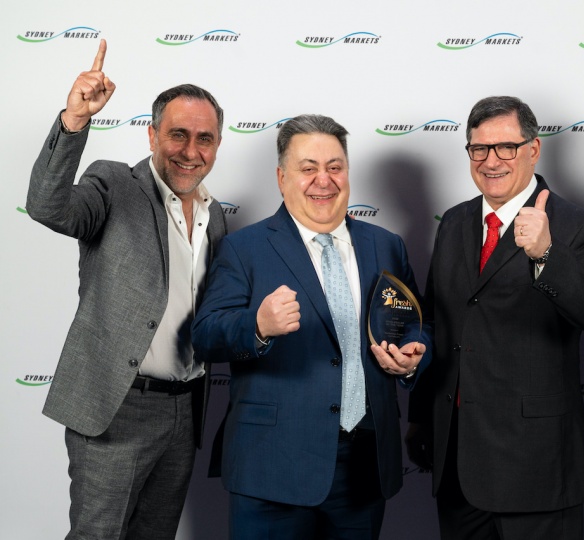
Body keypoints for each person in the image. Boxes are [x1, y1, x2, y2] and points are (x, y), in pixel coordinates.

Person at [191, 114, 431, 539]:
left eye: (335, 167)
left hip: (364, 468)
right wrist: (258, 325)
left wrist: (413, 357)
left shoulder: (386, 245)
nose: (324, 180)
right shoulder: (244, 247)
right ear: (282, 178)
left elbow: (417, 326)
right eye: (308, 168)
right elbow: (205, 335)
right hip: (272, 467)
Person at [26, 39, 228, 539]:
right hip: (116, 408)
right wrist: (75, 120)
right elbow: (49, 207)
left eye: (204, 139)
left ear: (217, 145)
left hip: (185, 410)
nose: (191, 151)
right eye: (178, 134)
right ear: (152, 134)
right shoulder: (114, 184)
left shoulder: (217, 216)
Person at [407, 96, 584, 540]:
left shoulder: (578, 224)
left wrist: (546, 254)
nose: (491, 161)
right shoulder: (455, 222)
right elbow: (438, 322)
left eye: (506, 147)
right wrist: (420, 415)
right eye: (479, 148)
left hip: (535, 467)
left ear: (533, 149)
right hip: (456, 461)